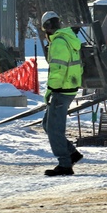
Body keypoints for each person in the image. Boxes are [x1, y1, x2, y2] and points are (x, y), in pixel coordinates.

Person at [40, 11, 85, 176]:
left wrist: (50, 90)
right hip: (69, 88)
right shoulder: (69, 38)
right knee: (47, 124)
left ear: (47, 27)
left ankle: (65, 164)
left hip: (61, 90)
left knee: (54, 129)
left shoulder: (59, 42)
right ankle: (72, 153)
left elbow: (58, 71)